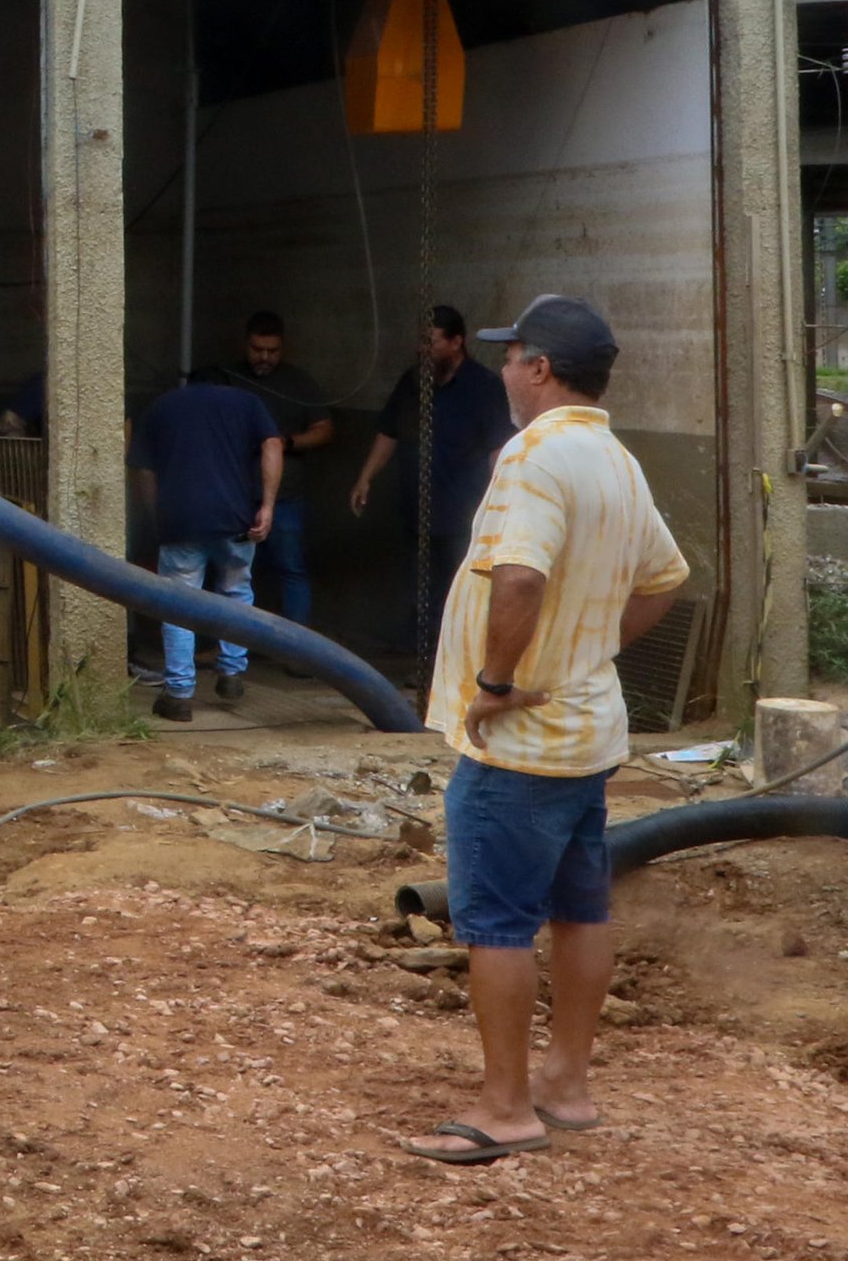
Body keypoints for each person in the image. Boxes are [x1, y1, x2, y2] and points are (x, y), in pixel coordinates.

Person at [400, 296, 689, 1167]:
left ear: (539, 368)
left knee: (494, 923)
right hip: (584, 732)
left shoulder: (531, 454)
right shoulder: (615, 459)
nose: (502, 369)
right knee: (578, 909)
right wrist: (590, 649)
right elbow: (664, 578)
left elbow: (518, 577)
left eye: (510, 355)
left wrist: (495, 682)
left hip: (520, 740)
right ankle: (564, 1085)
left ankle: (504, 1108)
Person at [352, 307, 518, 662]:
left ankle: (449, 661)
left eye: (431, 342)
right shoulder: (413, 382)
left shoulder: (483, 387)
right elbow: (389, 431)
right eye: (421, 341)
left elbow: (498, 447)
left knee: (455, 590)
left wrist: (498, 501)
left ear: (456, 342)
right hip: (417, 509)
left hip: (462, 513)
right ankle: (417, 654)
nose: (422, 349)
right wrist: (366, 477)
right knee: (417, 586)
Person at [125, 372, 282, 721]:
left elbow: (143, 469)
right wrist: (268, 506)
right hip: (236, 519)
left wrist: (155, 518)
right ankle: (232, 673)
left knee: (179, 606)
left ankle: (179, 695)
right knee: (236, 593)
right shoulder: (247, 403)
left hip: (181, 521)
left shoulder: (161, 407)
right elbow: (273, 444)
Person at [219, 311, 335, 624]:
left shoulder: (298, 383)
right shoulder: (228, 379)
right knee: (232, 572)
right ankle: (234, 642)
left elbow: (325, 430)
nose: (265, 357)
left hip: (286, 498)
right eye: (258, 349)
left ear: (284, 347)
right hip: (236, 496)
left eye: (273, 351)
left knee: (291, 568)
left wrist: (287, 442)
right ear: (245, 344)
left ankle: (295, 644)